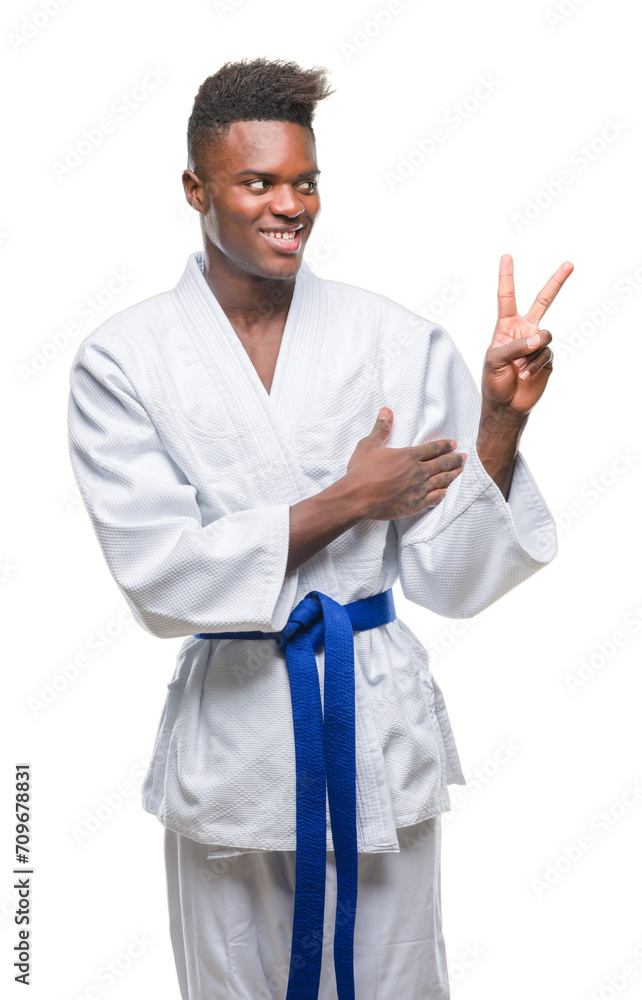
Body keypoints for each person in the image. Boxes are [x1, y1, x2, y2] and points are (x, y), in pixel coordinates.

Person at [67, 57, 572, 1000]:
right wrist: (347, 499)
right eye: (258, 182)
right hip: (233, 741)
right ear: (196, 189)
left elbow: (453, 576)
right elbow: (162, 579)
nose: (289, 205)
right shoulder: (124, 360)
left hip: (372, 724)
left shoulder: (395, 340)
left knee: (395, 982)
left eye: (305, 182)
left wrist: (500, 421)